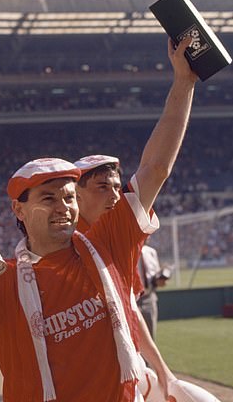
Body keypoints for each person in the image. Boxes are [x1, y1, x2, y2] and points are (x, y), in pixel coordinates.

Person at [0, 36, 197, 401]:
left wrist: (183, 83)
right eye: (48, 198)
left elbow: (156, 168)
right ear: (19, 210)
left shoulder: (108, 243)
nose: (64, 207)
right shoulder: (0, 277)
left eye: (69, 197)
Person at [73, 155, 176, 399]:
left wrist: (162, 369)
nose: (115, 196)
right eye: (103, 187)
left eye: (117, 187)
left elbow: (128, 307)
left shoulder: (114, 240)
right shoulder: (56, 241)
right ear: (76, 194)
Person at [137, 239, 170, 339]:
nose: (148, 236)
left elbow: (155, 275)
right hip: (133, 300)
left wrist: (161, 280)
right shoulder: (127, 252)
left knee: (150, 337)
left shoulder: (151, 252)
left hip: (149, 298)